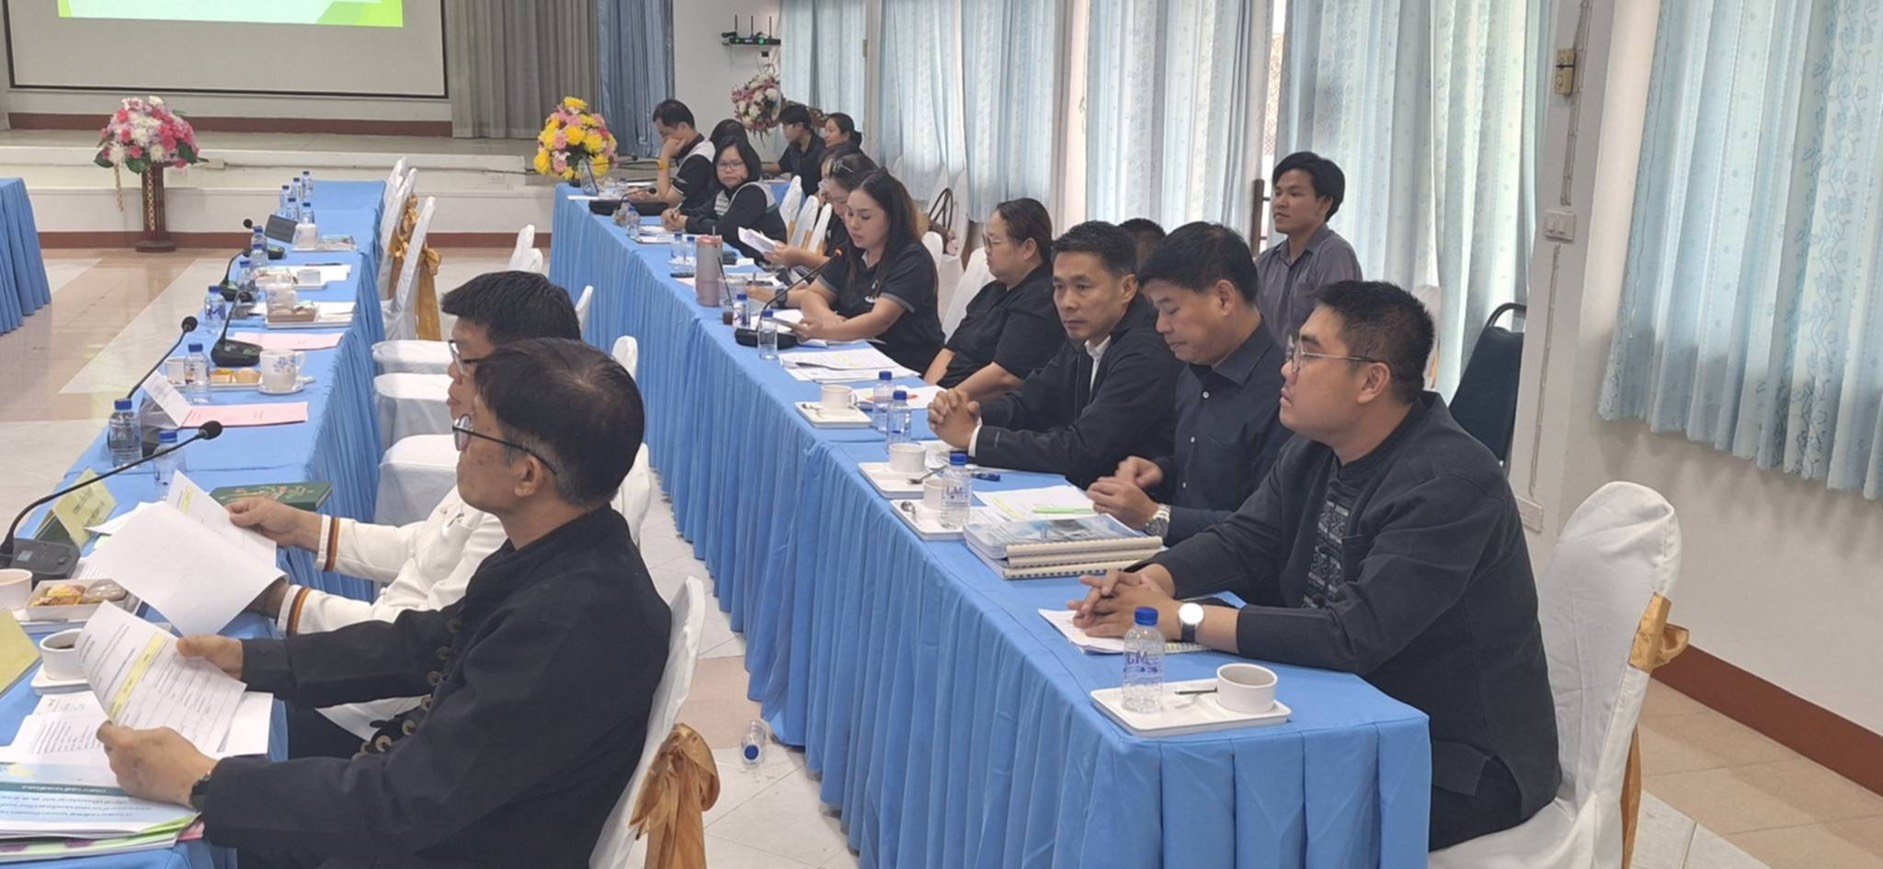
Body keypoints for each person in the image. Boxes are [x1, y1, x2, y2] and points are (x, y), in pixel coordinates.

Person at [97, 338, 671, 867]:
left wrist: (203, 782)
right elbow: (423, 642)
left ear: (526, 475)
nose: (461, 442)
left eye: (474, 430)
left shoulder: (565, 625)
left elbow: (401, 803)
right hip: (457, 815)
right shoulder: (567, 546)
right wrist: (252, 660)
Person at [1070, 281, 1559, 850]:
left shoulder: (1450, 483)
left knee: (1233, 809)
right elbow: (1244, 538)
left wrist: (1181, 618)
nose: (1287, 369)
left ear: (1371, 381)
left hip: (1453, 759)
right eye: (1292, 351)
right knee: (1186, 783)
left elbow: (1353, 634)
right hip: (1344, 704)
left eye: (1308, 354)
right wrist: (1149, 580)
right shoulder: (1317, 446)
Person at [227, 271, 582, 757]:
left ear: (522, 371)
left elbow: (414, 647)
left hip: (373, 709)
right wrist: (307, 528)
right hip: (373, 672)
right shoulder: (502, 452)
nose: (452, 373)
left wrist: (280, 602)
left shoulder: (521, 495)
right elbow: (426, 544)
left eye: (465, 358)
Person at [928, 221, 1179, 487]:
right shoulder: (1087, 334)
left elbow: (1082, 450)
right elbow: (1031, 403)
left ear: (1127, 289)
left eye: (1083, 287)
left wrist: (973, 438)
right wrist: (972, 413)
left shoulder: (1147, 351)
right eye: (1059, 287)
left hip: (1121, 502)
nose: (1067, 303)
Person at [1087, 222, 1289, 544]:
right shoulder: (1194, 371)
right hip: (1178, 556)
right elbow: (1206, 472)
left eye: (1171, 310)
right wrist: (1162, 471)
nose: (1161, 326)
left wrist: (1155, 517)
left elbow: (1267, 528)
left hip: (1228, 570)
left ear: (1223, 298)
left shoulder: (1283, 396)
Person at [775, 168, 944, 372]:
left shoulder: (912, 260)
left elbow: (880, 320)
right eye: (849, 214)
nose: (853, 224)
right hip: (853, 354)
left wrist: (827, 331)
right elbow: (813, 295)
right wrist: (827, 318)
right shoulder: (850, 251)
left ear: (891, 218)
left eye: (865, 217)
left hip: (900, 365)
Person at [923, 197, 1060, 398]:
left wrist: (943, 402)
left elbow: (1003, 377)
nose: (986, 250)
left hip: (973, 404)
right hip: (944, 396)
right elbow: (950, 350)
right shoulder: (992, 290)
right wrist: (926, 393)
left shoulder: (1041, 299)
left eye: (993, 243)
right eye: (985, 242)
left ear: (1028, 248)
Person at [1256, 151, 1363, 344]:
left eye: (1294, 194)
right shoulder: (1266, 261)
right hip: (1268, 363)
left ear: (1324, 204)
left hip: (1314, 363)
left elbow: (1332, 332)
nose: (1280, 203)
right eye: (1278, 193)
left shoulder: (1334, 253)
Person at [663, 137, 787, 260]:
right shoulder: (726, 191)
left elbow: (726, 230)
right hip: (740, 256)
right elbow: (701, 212)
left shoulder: (753, 192)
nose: (728, 170)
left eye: (736, 164)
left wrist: (686, 222)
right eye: (722, 164)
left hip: (766, 263)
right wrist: (676, 214)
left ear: (749, 165)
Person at [763, 146, 870, 274]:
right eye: (823, 180)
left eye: (828, 179)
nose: (825, 188)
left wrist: (800, 257)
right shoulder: (837, 216)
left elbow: (843, 269)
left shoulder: (856, 224)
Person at [627, 100, 716, 215]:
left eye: (665, 134)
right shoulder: (695, 151)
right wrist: (649, 197)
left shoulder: (699, 159)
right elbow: (670, 195)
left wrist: (664, 157)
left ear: (683, 127)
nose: (663, 141)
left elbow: (666, 202)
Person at [768, 103, 826, 198]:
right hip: (798, 198)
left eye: (785, 126)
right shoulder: (794, 146)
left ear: (799, 126)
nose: (784, 131)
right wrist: (756, 167)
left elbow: (826, 184)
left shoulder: (822, 149)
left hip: (815, 200)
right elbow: (781, 167)